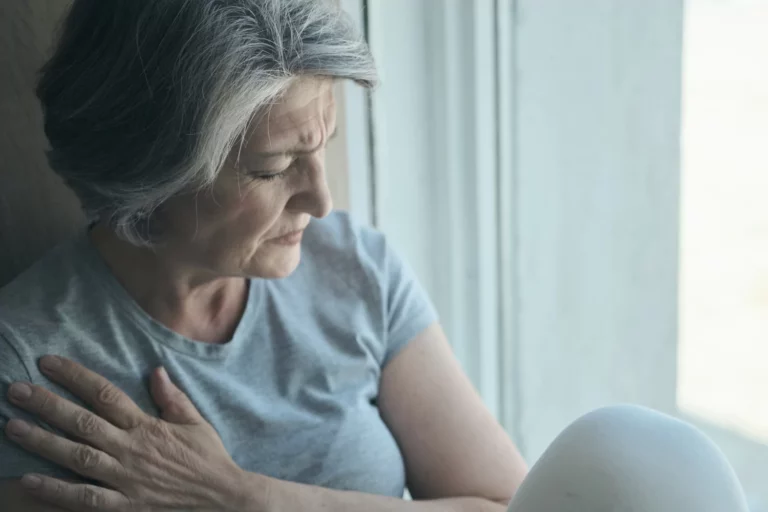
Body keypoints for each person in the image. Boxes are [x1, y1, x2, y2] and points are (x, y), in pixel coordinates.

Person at [0, 1, 750, 511]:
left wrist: (244, 497)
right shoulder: (32, 366)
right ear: (147, 174)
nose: (321, 201)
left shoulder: (351, 269)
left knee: (635, 457)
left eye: (322, 148)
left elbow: (508, 508)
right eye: (272, 168)